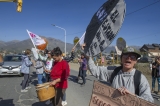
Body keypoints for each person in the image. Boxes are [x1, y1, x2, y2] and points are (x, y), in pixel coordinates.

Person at [83, 45, 154, 103]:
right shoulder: (114, 71)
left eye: (132, 57)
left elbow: (149, 100)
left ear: (136, 61)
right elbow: (95, 70)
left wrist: (132, 96)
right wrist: (88, 56)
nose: (129, 58)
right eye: (125, 55)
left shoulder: (140, 78)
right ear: (121, 58)